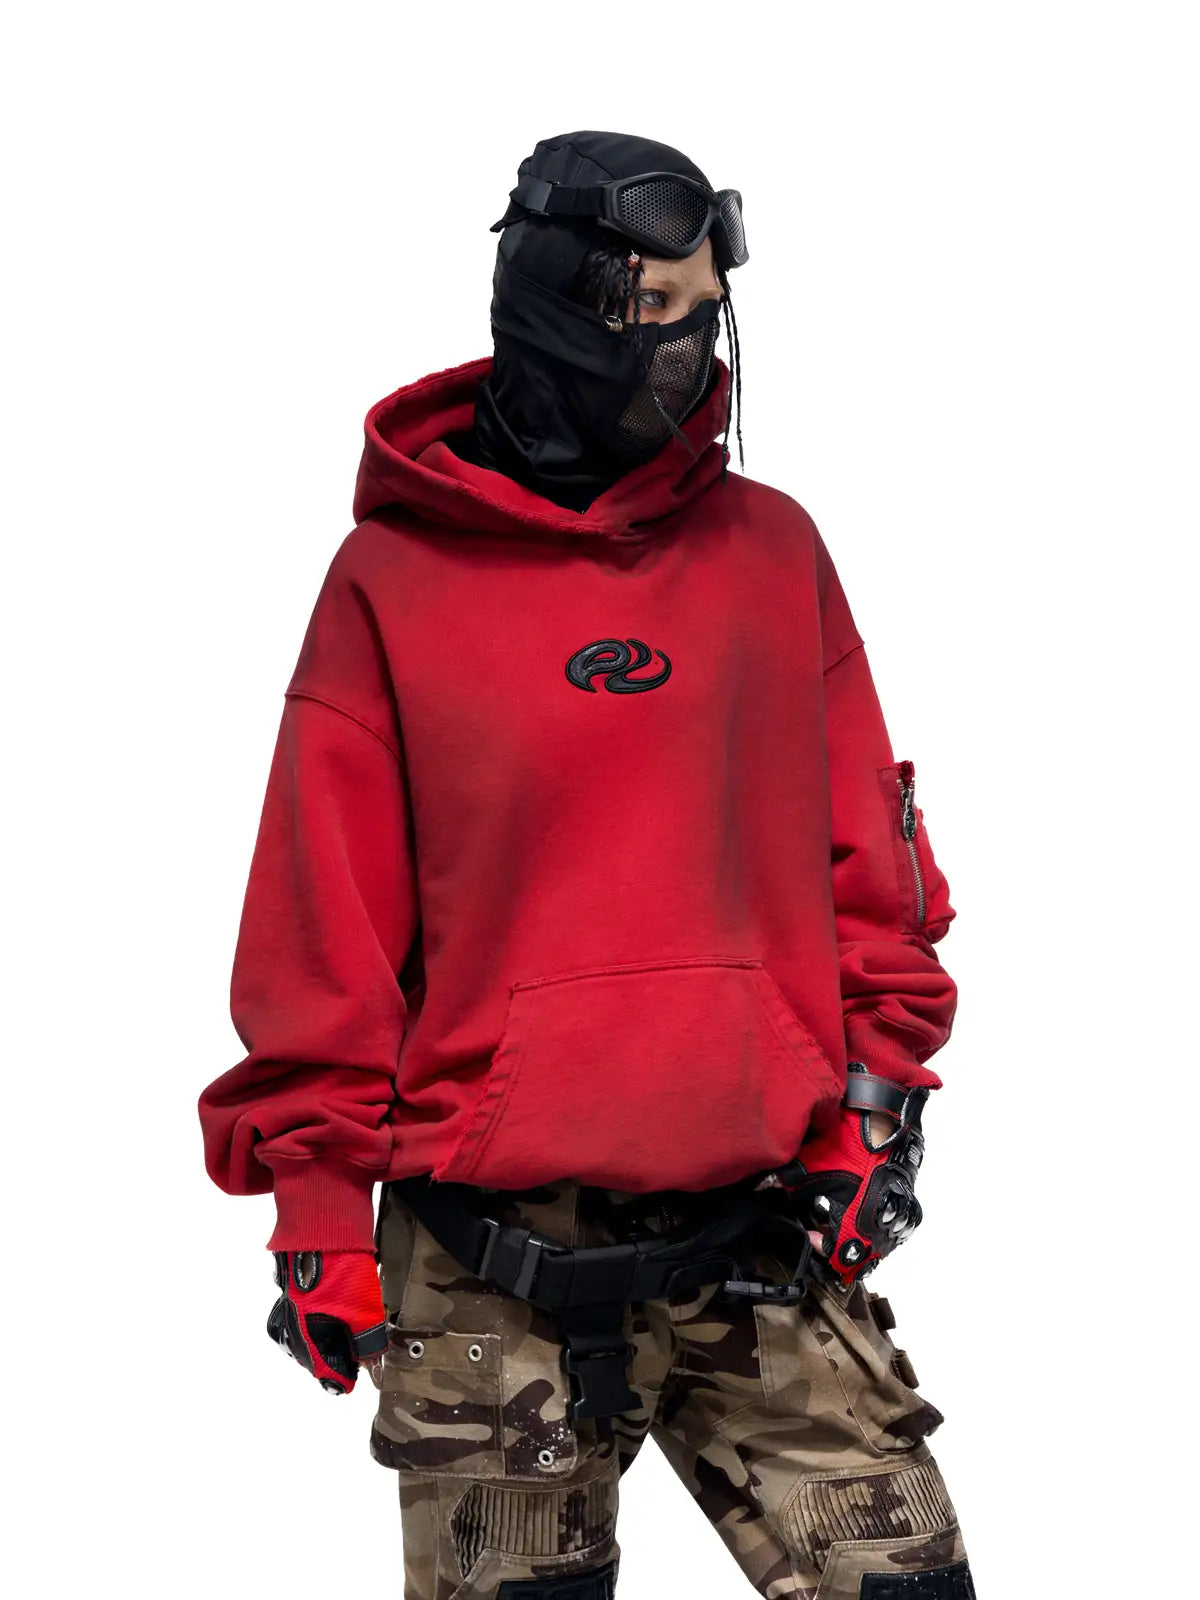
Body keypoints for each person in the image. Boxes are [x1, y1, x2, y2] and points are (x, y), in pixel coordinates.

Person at [198, 130, 974, 1600]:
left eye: (706, 309)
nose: (690, 348)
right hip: (489, 1269)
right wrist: (317, 1211)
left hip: (757, 1230)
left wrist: (880, 1099)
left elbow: (870, 866)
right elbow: (321, 928)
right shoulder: (392, 585)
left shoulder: (771, 553)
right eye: (653, 307)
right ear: (560, 303)